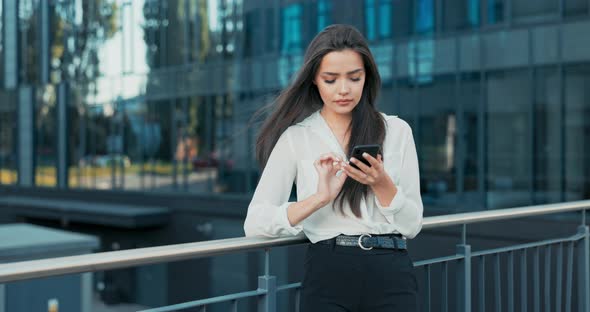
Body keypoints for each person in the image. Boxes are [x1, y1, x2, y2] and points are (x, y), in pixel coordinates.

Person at [244, 24, 423, 311]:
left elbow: (412, 225)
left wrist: (381, 183)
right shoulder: (296, 137)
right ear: (314, 79)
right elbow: (254, 225)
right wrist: (318, 199)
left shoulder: (397, 131)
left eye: (354, 78)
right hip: (329, 271)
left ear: (367, 77)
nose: (343, 89)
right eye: (330, 79)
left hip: (392, 273)